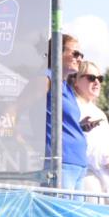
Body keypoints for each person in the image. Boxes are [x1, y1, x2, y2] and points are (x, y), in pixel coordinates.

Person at [73, 61, 109, 195]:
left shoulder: (99, 113)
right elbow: (78, 145)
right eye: (91, 78)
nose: (97, 82)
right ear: (76, 80)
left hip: (105, 180)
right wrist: (106, 158)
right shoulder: (73, 108)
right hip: (87, 178)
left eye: (100, 78)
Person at [45, 34, 87, 191]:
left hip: (77, 164)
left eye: (81, 55)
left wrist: (79, 127)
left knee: (73, 215)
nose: (80, 59)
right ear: (57, 52)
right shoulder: (46, 78)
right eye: (75, 53)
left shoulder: (66, 87)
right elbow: (16, 110)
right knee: (60, 214)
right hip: (60, 163)